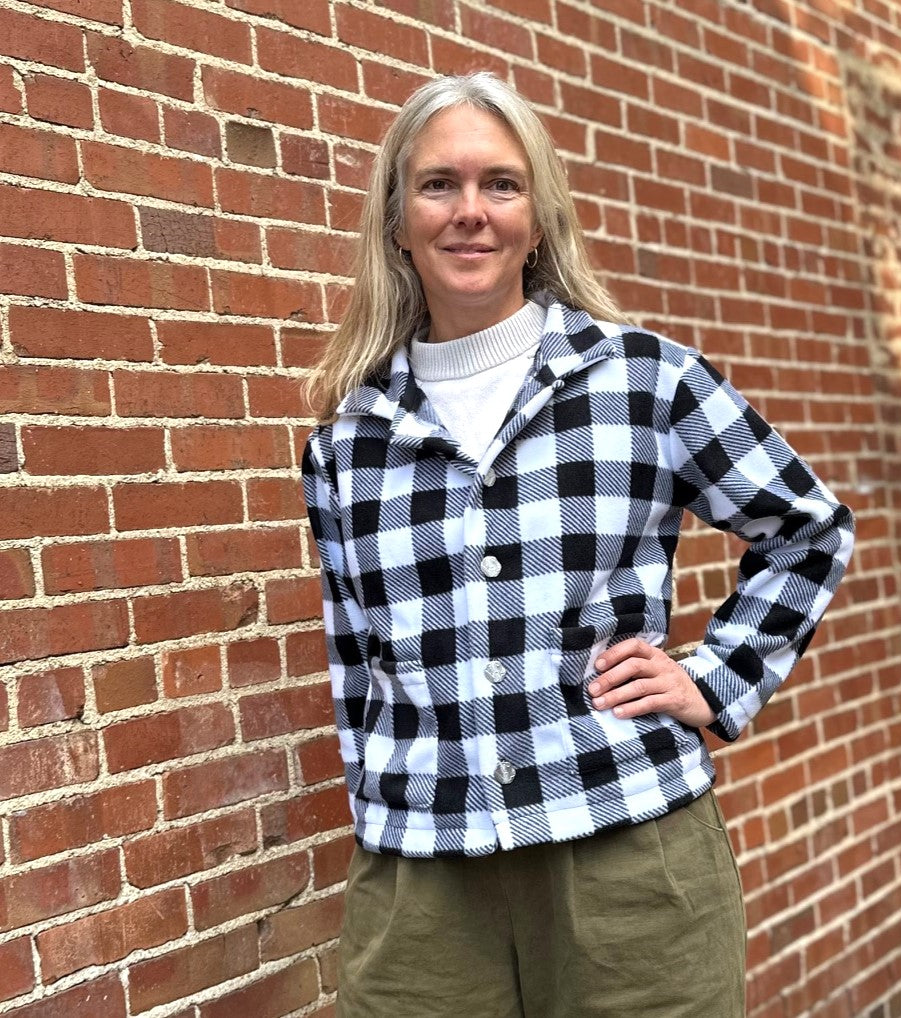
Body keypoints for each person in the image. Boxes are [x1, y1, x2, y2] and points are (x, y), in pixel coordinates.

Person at [302, 71, 854, 1018]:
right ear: (396, 223)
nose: (470, 212)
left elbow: (805, 529)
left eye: (501, 184)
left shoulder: (644, 381)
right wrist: (377, 819)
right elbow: (359, 663)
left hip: (626, 859)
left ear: (540, 217)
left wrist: (715, 679)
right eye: (438, 185)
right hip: (425, 889)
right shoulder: (349, 439)